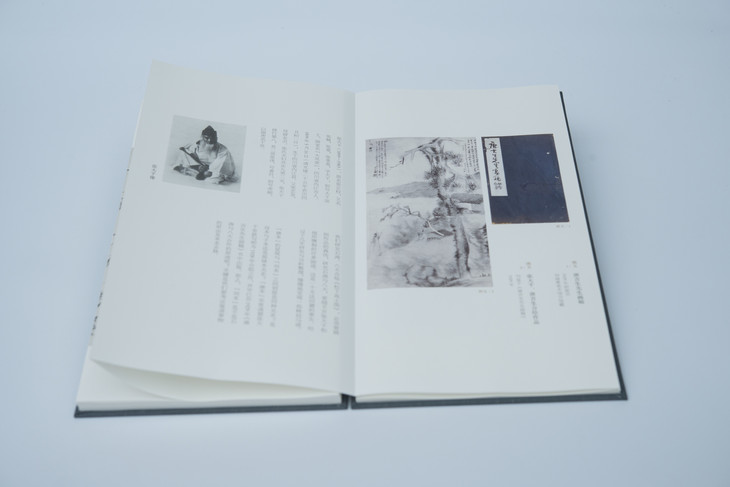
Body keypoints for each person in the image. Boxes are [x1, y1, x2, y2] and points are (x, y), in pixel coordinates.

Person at [173, 125, 237, 184]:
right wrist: (198, 166)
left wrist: (209, 170)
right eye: (206, 138)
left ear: (216, 138)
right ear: (202, 137)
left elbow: (219, 163)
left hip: (216, 168)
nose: (209, 140)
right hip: (202, 166)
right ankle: (197, 171)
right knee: (183, 153)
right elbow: (187, 151)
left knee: (213, 179)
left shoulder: (223, 149)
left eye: (212, 138)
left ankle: (201, 173)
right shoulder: (196, 144)